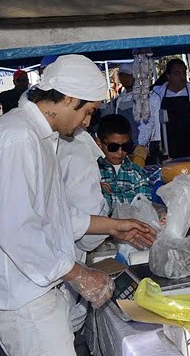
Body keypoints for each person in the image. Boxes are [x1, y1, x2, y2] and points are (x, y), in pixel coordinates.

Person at [0, 55, 157, 356]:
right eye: (87, 112)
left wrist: (114, 226)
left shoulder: (39, 135)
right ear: (68, 98)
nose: (87, 123)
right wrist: (79, 273)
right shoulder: (18, 138)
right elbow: (16, 230)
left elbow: (55, 215)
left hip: (37, 288)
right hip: (23, 295)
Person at [57, 128, 110, 335]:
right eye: (89, 111)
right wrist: (110, 221)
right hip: (48, 291)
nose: (88, 121)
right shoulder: (77, 152)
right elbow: (89, 239)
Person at [140, 58, 190, 160]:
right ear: (168, 76)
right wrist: (141, 144)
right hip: (165, 149)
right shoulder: (155, 96)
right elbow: (148, 122)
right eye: (177, 73)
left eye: (184, 73)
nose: (182, 77)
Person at [98, 114, 153, 214]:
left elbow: (146, 207)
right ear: (99, 144)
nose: (120, 152)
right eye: (113, 147)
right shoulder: (94, 171)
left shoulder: (136, 172)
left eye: (126, 146)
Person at [100, 62, 140, 143]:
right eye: (122, 75)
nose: (125, 78)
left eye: (128, 75)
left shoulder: (142, 97)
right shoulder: (118, 99)